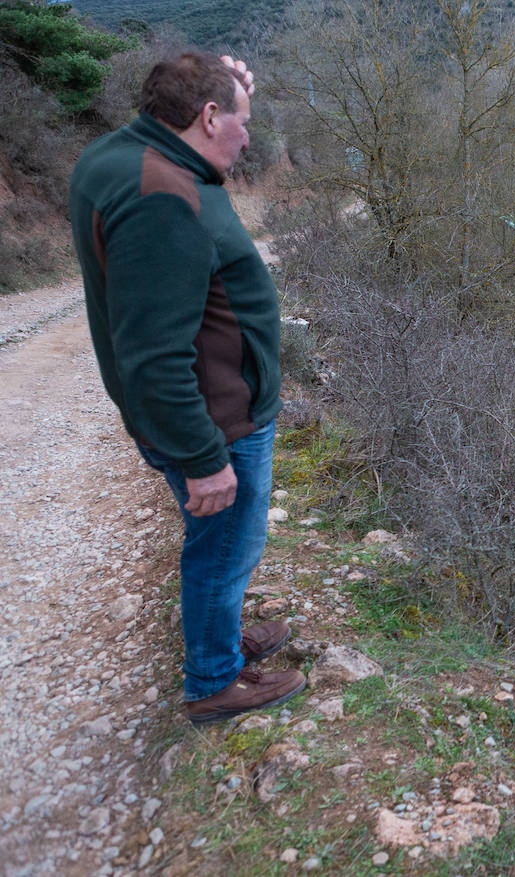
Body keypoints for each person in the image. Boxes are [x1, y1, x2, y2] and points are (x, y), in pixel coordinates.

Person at [69, 52, 306, 724]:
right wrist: (204, 458)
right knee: (223, 550)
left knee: (222, 550)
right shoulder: (161, 199)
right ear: (206, 118)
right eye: (241, 119)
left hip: (209, 412)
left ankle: (219, 638)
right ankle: (212, 680)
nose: (248, 135)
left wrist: (223, 82)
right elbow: (154, 354)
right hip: (217, 424)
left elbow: (154, 316)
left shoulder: (123, 155)